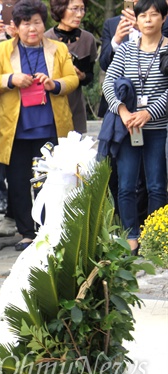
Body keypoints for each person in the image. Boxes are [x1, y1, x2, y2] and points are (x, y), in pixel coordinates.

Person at [0, 0, 78, 251]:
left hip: (49, 126)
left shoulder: (58, 49)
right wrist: (11, 79)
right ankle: (27, 232)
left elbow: (72, 80)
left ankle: (48, 230)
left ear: (43, 23)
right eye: (26, 23)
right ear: (16, 26)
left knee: (47, 181)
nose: (32, 28)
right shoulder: (3, 50)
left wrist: (54, 84)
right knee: (17, 182)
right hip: (15, 128)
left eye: (36, 22)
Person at [101, 0, 168, 255]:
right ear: (136, 21)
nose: (149, 20)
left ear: (163, 18)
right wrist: (124, 111)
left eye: (154, 15)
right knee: (126, 185)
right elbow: (108, 83)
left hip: (157, 128)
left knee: (156, 186)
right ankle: (130, 235)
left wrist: (149, 113)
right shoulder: (127, 49)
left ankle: (155, 236)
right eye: (144, 16)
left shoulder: (167, 49)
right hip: (128, 127)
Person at [45, 0, 96, 134]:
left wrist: (82, 76)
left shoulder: (88, 39)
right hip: (50, 106)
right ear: (60, 9)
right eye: (74, 9)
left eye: (82, 9)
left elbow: (90, 76)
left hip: (76, 106)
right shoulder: (45, 39)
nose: (79, 14)